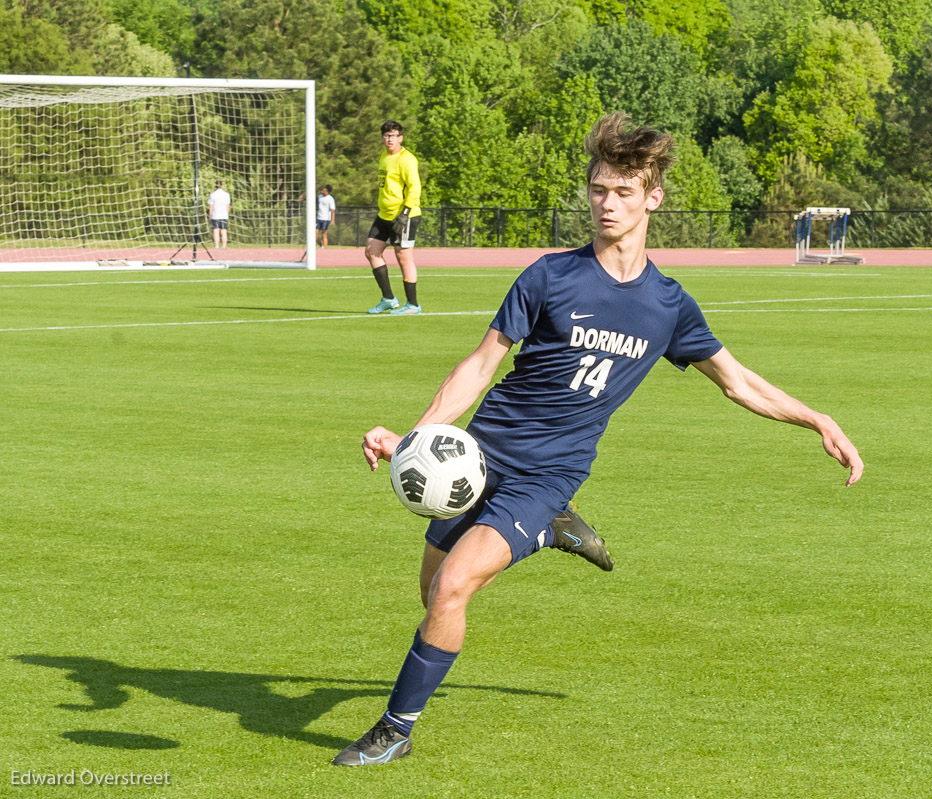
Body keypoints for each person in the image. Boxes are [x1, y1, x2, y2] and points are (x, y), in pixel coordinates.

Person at [334, 112, 864, 767]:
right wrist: (415, 437)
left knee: (452, 592)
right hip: (477, 456)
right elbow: (478, 365)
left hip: (545, 476)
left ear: (653, 197)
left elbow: (736, 382)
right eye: (598, 190)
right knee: (430, 591)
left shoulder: (668, 305)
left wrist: (818, 419)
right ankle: (552, 530)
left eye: (622, 191)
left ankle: (395, 729)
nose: (607, 203)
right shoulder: (549, 276)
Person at [365, 121, 423, 315]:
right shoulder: (383, 157)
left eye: (393, 135)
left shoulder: (406, 159)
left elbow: (415, 188)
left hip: (404, 215)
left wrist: (405, 213)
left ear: (401, 138)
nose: (389, 139)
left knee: (403, 257)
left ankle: (413, 304)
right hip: (384, 215)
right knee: (372, 251)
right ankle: (388, 298)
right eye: (386, 135)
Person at [208, 181, 231, 249]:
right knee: (224, 231)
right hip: (224, 215)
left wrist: (210, 215)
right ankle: (224, 246)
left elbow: (211, 206)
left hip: (215, 215)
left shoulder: (213, 194)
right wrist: (227, 214)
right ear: (222, 186)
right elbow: (228, 206)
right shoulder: (226, 194)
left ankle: (217, 246)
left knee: (216, 231)